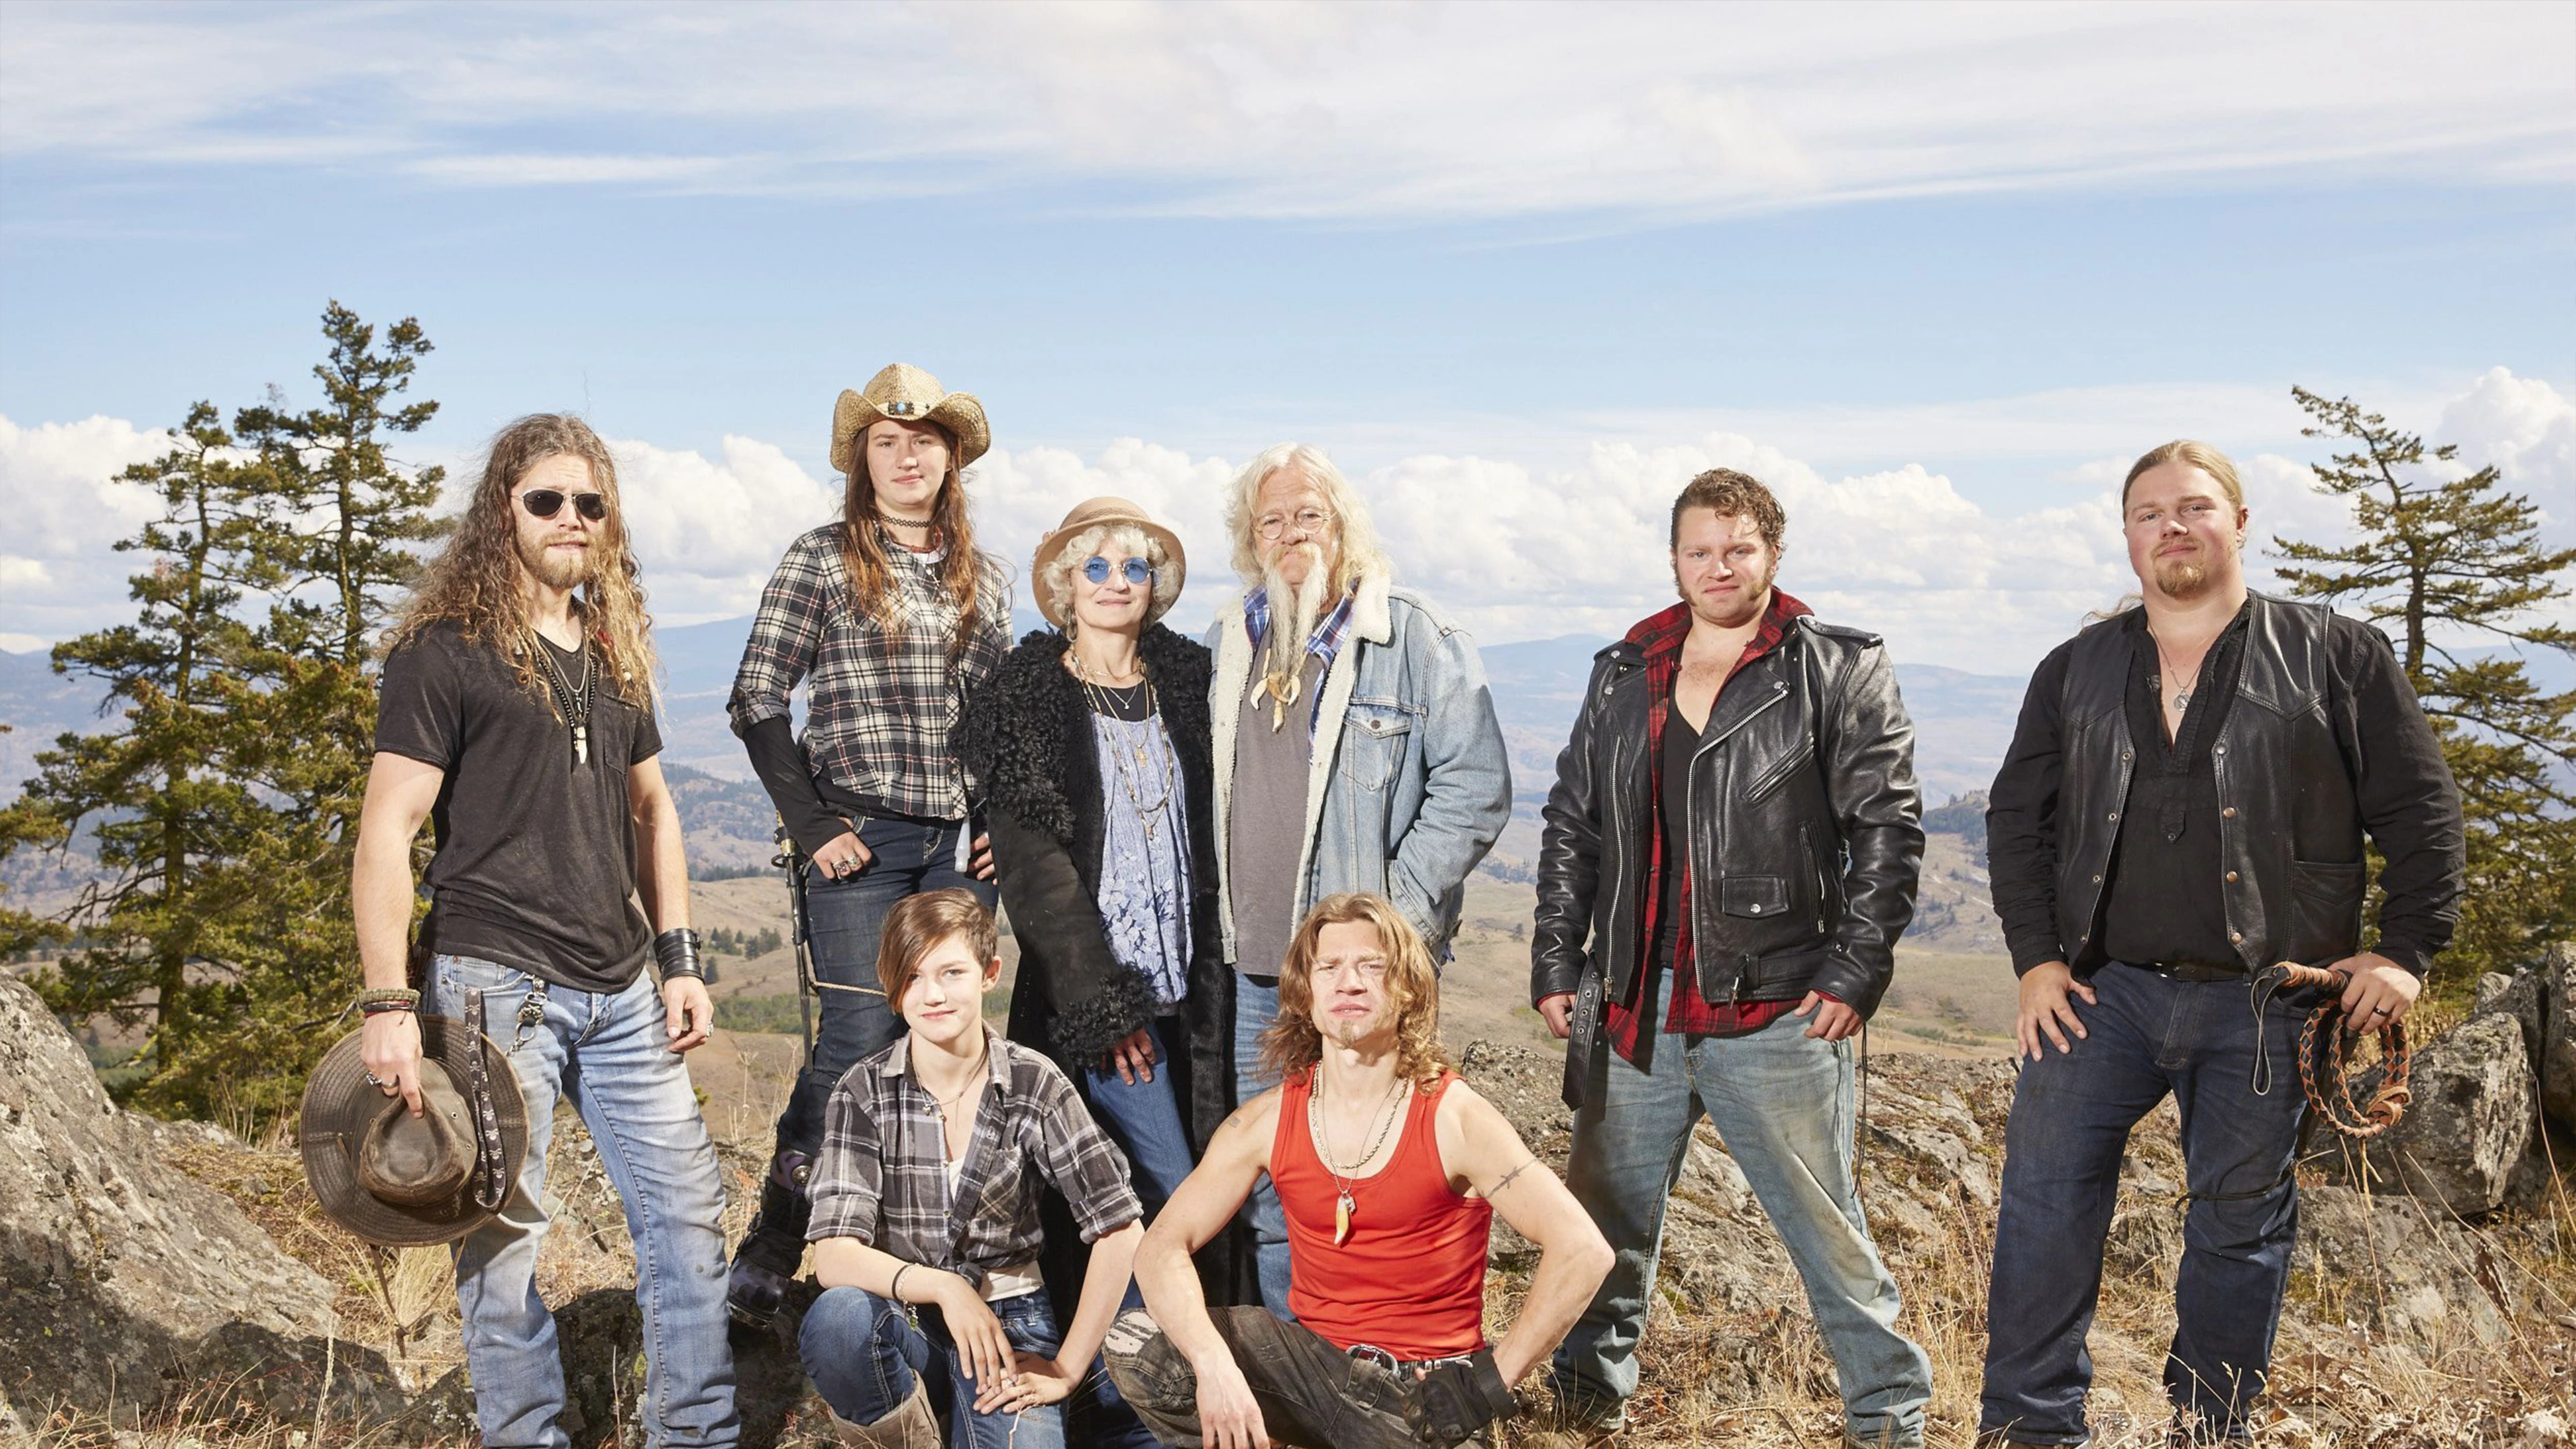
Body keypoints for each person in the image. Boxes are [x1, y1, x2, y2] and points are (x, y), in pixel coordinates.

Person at [1978, 441, 2463, 1446]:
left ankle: (2208, 1429)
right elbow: (2017, 820)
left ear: (2240, 523)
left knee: (2239, 1232)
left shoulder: (2337, 654)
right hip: (2101, 995)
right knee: (2042, 1210)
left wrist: (2405, 952)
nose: (2173, 526)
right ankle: (2029, 1429)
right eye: (2150, 511)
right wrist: (2037, 960)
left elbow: (2423, 812)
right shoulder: (2074, 670)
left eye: (2196, 506)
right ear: (2127, 535)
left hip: (2271, 999)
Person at [352, 413, 735, 1447]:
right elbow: (388, 828)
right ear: (503, 512)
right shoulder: (445, 656)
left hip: (621, 988)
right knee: (503, 1237)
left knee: (690, 1220)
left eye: (592, 504)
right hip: (492, 985)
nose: (573, 519)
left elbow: (656, 812)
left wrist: (679, 960)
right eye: (548, 500)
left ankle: (693, 1437)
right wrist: (389, 1002)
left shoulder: (615, 656)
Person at [1529, 468, 1933, 1447]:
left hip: (1779, 1004)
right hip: (1631, 1002)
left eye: (1738, 549)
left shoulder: (1835, 667)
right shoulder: (1625, 670)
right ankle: (1587, 1413)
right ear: (1674, 559)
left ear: (1773, 555)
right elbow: (1574, 823)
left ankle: (1890, 1424)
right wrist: (1554, 963)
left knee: (1827, 1237)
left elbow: (1887, 827)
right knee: (1606, 1229)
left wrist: (1855, 971)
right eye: (1700, 550)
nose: (1719, 567)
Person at [1102, 893, 1613, 1449]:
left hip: (1423, 1396)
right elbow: (1159, 1250)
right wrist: (1213, 1366)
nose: (1349, 983)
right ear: (1306, 990)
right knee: (1140, 1341)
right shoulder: (1266, 1122)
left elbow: (1585, 1251)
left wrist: (1488, 1383)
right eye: (1330, 968)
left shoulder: (1454, 1117)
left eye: (1373, 967)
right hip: (1315, 1371)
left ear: (1408, 988)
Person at [726, 364, 1012, 1325]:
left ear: (950, 458)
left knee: (949, 1040)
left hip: (957, 847)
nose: (906, 456)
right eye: (886, 443)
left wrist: (999, 833)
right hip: (862, 835)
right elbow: (758, 693)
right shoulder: (821, 559)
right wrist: (812, 825)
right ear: (863, 460)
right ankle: (776, 1243)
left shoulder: (987, 577)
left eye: (923, 440)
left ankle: (912, 1252)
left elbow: (1004, 729)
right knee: (858, 1040)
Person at [1207, 442, 1512, 1313]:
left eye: (1310, 514)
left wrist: (1389, 923)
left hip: (1366, 978)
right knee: (1276, 1194)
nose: (1291, 532)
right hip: (1259, 974)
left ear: (1345, 531)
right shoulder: (1232, 641)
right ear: (1251, 540)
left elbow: (1477, 785)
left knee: (1384, 1187)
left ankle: (1380, 1375)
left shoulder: (1412, 637)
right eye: (1272, 520)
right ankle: (1296, 1393)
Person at [959, 497, 1234, 1233]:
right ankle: (1138, 1346)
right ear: (1065, 584)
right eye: (1097, 567)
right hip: (1101, 1001)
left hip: (1196, 991)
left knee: (1178, 1197)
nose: (1117, 582)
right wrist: (1103, 1007)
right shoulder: (1027, 698)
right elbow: (1036, 875)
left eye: (1134, 566)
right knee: (1168, 1197)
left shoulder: (1193, 684)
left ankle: (1151, 1343)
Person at [798, 890, 1148, 1448]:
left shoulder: (1035, 1083)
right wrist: (944, 1289)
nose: (932, 994)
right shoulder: (862, 1091)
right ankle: (909, 1429)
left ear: (989, 974)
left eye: (952, 972)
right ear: (892, 987)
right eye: (911, 977)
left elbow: (1121, 1228)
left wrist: (1069, 1366)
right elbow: (834, 1256)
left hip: (1008, 1324)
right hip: (903, 1317)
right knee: (840, 1321)